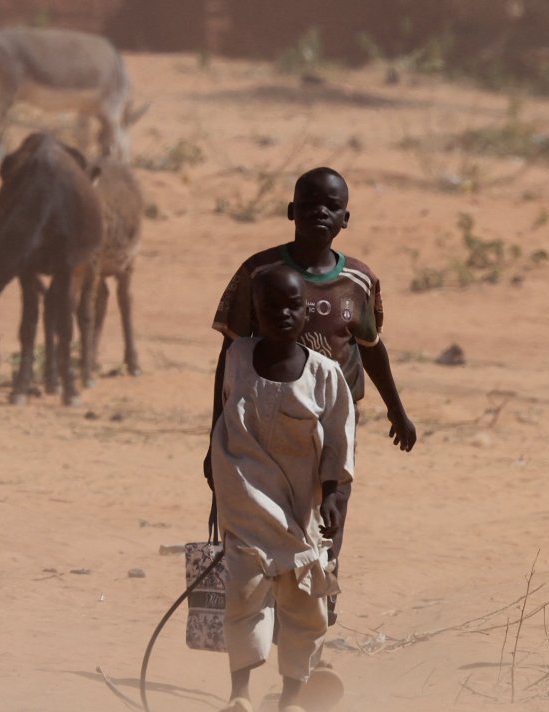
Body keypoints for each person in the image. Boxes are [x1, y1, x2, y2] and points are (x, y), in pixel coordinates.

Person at [206, 167, 418, 625]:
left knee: (329, 516)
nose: (319, 213)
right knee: (262, 516)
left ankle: (316, 619)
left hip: (332, 424)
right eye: (308, 205)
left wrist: (396, 410)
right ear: (291, 212)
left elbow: (370, 349)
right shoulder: (259, 272)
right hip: (261, 421)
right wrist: (214, 440)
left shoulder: (359, 281)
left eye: (331, 206)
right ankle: (263, 622)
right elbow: (230, 358)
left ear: (346, 218)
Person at [209, 266, 353, 712]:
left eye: (293, 305)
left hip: (297, 507)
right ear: (256, 312)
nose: (284, 314)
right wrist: (213, 471)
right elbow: (223, 418)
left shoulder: (326, 375)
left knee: (302, 605)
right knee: (243, 595)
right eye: (272, 307)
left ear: (306, 311)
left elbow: (339, 440)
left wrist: (331, 493)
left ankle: (291, 697)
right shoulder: (237, 357)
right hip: (245, 497)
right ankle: (240, 693)